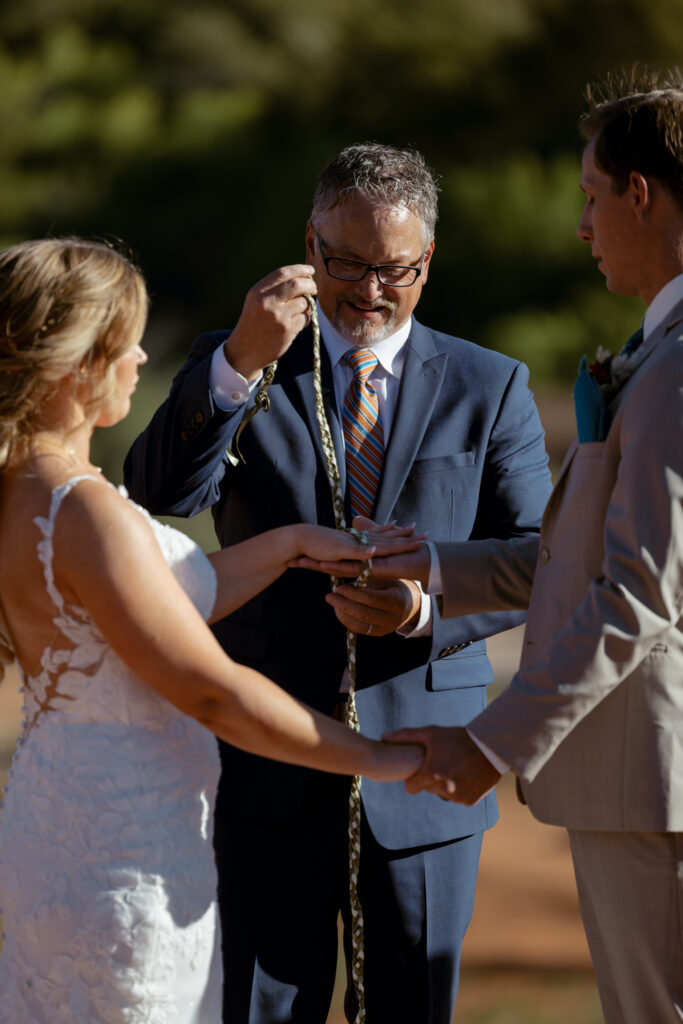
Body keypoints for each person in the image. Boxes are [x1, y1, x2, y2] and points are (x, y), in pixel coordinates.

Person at [124, 143, 552, 1024]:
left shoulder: (490, 383)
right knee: (255, 1007)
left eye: (391, 269)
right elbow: (158, 497)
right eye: (345, 263)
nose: (366, 291)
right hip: (264, 764)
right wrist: (240, 362)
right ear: (307, 247)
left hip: (423, 770)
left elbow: (539, 560)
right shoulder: (243, 361)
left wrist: (424, 610)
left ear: (426, 263)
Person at [0, 236, 424, 1024]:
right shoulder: (84, 508)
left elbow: (140, 610)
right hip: (126, 842)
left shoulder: (19, 490)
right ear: (78, 362)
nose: (138, 358)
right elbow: (211, 690)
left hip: (57, 816)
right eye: (127, 341)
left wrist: (290, 545)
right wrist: (380, 759)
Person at [336, 71, 683, 1024]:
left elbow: (636, 599)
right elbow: (582, 559)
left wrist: (490, 743)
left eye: (589, 195)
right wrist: (433, 567)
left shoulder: (679, 365)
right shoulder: (659, 350)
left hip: (658, 791)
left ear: (639, 193)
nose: (581, 225)